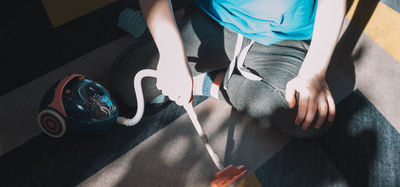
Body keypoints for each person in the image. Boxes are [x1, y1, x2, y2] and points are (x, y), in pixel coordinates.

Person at [110, 0, 346, 138]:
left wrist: (314, 71)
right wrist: (170, 51)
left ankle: (208, 80)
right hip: (212, 23)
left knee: (309, 117)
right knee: (124, 87)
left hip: (285, 40)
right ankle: (155, 27)